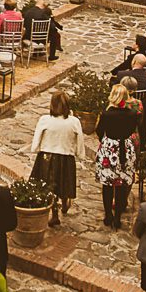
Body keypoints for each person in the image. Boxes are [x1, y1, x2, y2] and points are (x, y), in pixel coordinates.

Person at [28, 91, 86, 226]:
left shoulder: (45, 120)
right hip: (66, 156)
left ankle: (54, 214)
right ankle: (65, 202)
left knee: (51, 186)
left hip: (47, 157)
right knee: (64, 181)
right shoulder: (74, 122)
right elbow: (80, 140)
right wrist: (79, 153)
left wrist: (35, 148)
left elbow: (37, 139)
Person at [95, 84, 139, 229]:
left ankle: (108, 215)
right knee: (121, 185)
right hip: (125, 148)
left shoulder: (106, 114)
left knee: (107, 184)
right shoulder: (133, 113)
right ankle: (118, 217)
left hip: (110, 148)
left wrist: (105, 140)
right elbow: (133, 129)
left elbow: (99, 130)